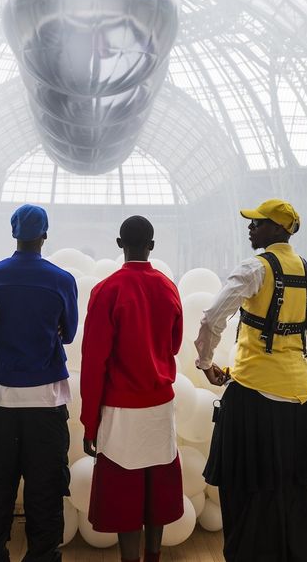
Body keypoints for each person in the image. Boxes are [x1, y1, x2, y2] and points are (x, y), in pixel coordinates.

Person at [195, 199, 307, 562]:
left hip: (251, 395)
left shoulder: (255, 269)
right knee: (294, 490)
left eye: (258, 222)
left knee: (244, 487)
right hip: (298, 403)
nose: (251, 228)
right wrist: (304, 383)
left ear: (277, 229)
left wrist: (206, 362)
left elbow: (212, 318)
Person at [0, 204, 78, 562]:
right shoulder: (62, 280)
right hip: (45, 400)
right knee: (45, 492)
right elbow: (69, 333)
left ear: (13, 233)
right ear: (45, 235)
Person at [79, 216, 184, 562]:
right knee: (158, 488)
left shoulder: (107, 290)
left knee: (125, 493)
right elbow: (174, 344)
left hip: (120, 406)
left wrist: (89, 422)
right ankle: (153, 556)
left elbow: (94, 362)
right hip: (159, 404)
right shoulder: (168, 287)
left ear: (119, 243)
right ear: (151, 246)